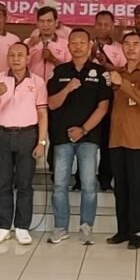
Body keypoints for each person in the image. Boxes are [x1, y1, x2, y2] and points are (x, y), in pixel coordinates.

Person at [46, 29, 113, 245]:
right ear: (68, 46)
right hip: (62, 137)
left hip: (88, 137)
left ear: (89, 45)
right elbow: (51, 103)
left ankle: (86, 227)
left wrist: (83, 129)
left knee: (88, 184)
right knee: (60, 185)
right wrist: (68, 88)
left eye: (82, 42)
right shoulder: (60, 71)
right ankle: (61, 227)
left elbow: (103, 107)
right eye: (73, 42)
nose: (77, 46)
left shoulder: (99, 72)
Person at [0, 43, 48, 245]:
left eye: (20, 55)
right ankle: (3, 226)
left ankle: (22, 226)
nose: (16, 58)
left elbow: (42, 113)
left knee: (24, 184)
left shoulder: (37, 82)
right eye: (12, 55)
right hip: (1, 135)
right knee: (3, 182)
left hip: (27, 135)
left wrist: (42, 142)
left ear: (28, 58)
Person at [106, 32, 140, 249]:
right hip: (117, 137)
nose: (130, 48)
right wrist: (118, 81)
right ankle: (122, 230)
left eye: (135, 44)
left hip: (138, 139)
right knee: (120, 187)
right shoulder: (115, 73)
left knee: (137, 188)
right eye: (126, 44)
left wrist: (124, 84)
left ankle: (136, 232)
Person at [91, 10, 124, 191]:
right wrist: (91, 55)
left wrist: (104, 63)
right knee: (87, 140)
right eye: (100, 24)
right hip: (88, 99)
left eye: (106, 25)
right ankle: (81, 179)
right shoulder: (86, 44)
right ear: (94, 25)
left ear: (112, 27)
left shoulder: (120, 48)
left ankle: (105, 178)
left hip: (111, 99)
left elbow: (123, 73)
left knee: (107, 141)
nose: (103, 28)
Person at [26, 5, 71, 81]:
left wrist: (53, 59)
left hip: (57, 85)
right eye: (42, 21)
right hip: (32, 85)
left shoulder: (66, 45)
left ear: (56, 23)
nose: (45, 25)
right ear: (37, 23)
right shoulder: (28, 42)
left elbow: (69, 70)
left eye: (49, 21)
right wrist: (29, 46)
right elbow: (18, 65)